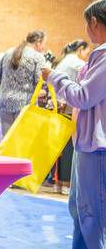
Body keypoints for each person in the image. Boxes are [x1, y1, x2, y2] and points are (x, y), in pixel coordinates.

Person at [44, 0, 106, 249]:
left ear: (93, 21)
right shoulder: (97, 55)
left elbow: (84, 96)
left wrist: (55, 77)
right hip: (86, 142)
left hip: (98, 145)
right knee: (80, 208)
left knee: (95, 209)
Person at [51, 40, 91, 193]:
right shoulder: (78, 64)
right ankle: (67, 183)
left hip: (57, 108)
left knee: (60, 148)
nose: (86, 56)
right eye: (86, 53)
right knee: (69, 149)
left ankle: (58, 183)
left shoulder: (61, 61)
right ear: (81, 49)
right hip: (69, 108)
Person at [0, 30, 48, 134]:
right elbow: (42, 81)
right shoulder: (38, 57)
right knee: (23, 140)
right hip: (25, 105)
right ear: (38, 42)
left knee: (6, 140)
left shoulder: (9, 52)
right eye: (44, 43)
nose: (44, 47)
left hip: (5, 102)